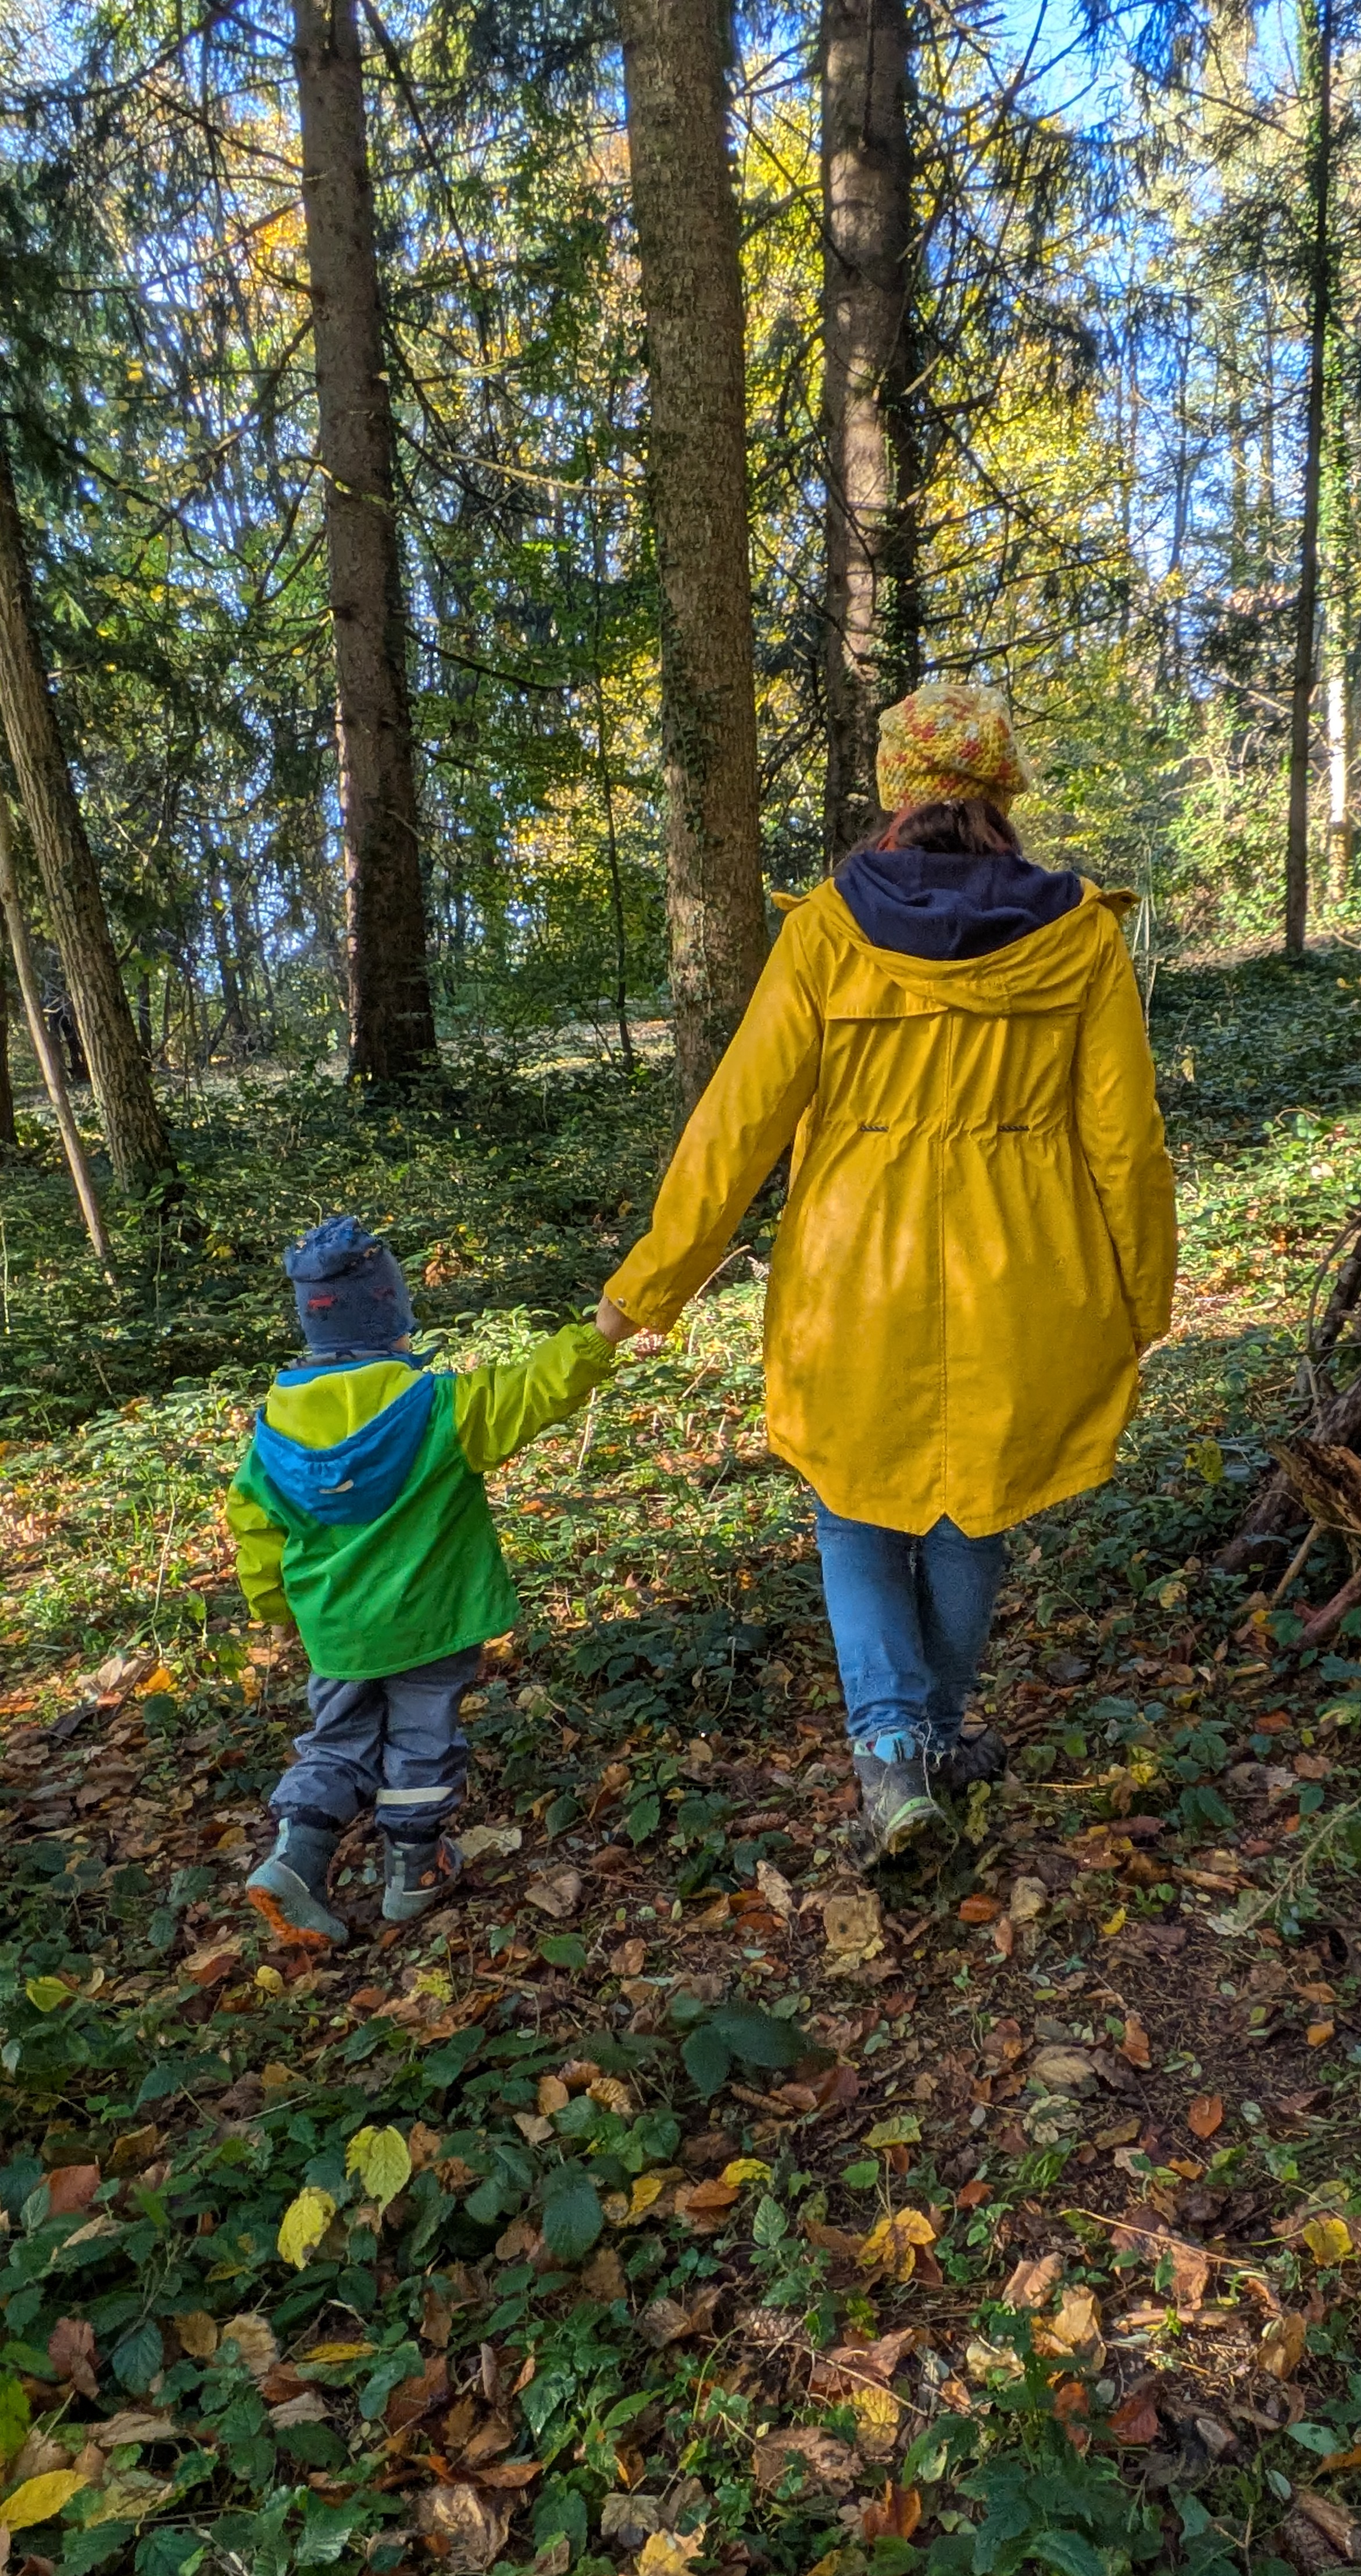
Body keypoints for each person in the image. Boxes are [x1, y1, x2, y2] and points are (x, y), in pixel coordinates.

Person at [597, 682, 1177, 1863]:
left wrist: (650, 1283)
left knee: (856, 1508)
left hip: (853, 1271)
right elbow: (1125, 1140)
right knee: (975, 1510)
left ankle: (890, 1755)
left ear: (892, 789)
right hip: (1028, 1271)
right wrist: (1140, 1294)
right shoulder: (1078, 932)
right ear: (1003, 786)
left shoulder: (825, 926)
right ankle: (937, 1735)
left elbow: (738, 1122)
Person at [230, 1216, 616, 1947]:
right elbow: (532, 1390)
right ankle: (413, 1871)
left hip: (336, 1631)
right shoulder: (441, 1409)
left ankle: (294, 1859)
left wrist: (275, 1609)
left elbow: (255, 1524)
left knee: (337, 1741)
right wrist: (597, 1335)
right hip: (430, 1623)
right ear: (393, 1317)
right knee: (419, 1740)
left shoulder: (273, 1433)